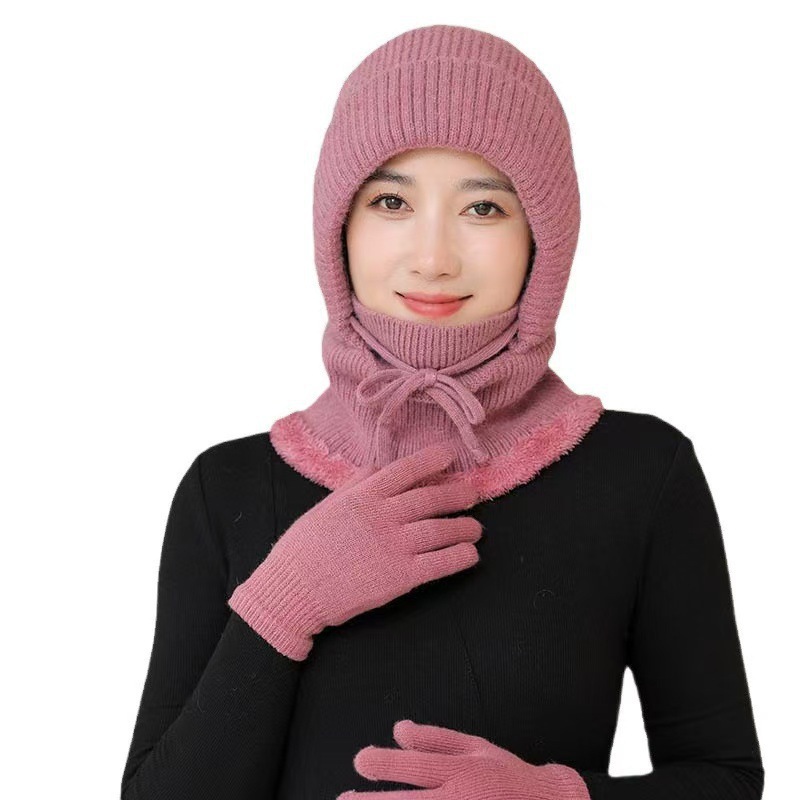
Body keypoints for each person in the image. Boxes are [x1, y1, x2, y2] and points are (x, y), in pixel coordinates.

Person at [120, 24, 764, 800]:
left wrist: (557, 798)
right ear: (338, 227)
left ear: (543, 238)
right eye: (391, 201)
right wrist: (282, 604)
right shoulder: (225, 489)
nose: (433, 258)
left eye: (483, 207)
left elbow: (727, 779)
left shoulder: (641, 474)